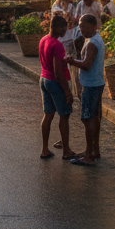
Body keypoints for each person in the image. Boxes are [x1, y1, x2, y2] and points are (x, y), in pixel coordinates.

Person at [65, 13, 105, 165]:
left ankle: (88, 155)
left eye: (85, 26)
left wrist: (72, 61)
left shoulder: (93, 43)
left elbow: (87, 64)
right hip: (96, 83)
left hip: (91, 84)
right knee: (94, 117)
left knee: (87, 118)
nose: (81, 29)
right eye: (80, 26)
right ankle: (94, 150)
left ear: (94, 26)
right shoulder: (94, 39)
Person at [39, 15, 76, 160]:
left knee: (48, 114)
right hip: (54, 82)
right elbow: (58, 71)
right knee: (64, 115)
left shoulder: (43, 40)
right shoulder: (57, 45)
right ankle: (66, 150)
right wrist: (67, 92)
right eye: (63, 28)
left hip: (44, 79)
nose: (65, 31)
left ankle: (44, 149)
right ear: (57, 28)